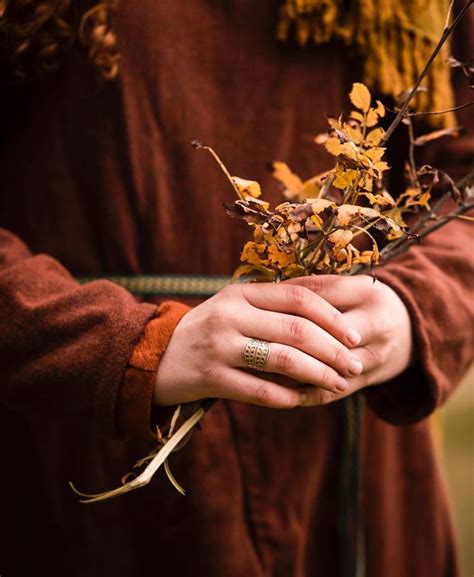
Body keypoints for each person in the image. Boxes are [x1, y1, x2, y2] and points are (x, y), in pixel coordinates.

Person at [0, 1, 472, 576]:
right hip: (91, 457)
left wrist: (413, 306)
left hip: (352, 463)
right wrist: (131, 345)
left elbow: (464, 180)